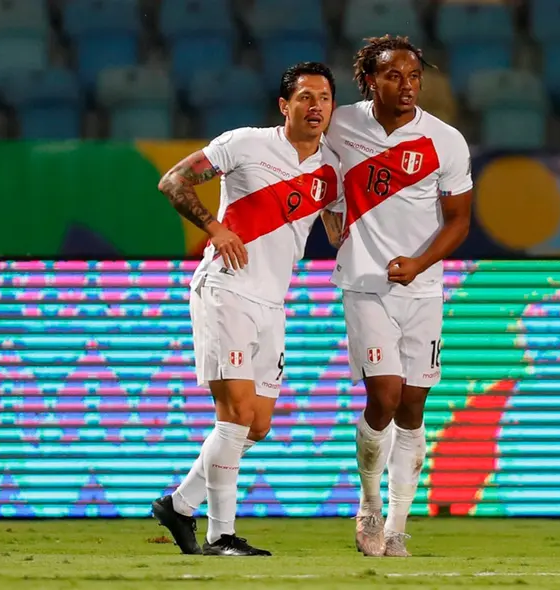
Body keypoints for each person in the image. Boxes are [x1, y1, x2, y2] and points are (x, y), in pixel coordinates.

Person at [150, 62, 343, 557]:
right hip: (227, 289)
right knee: (234, 415)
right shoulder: (245, 143)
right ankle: (221, 535)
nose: (315, 106)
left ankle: (178, 505)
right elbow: (173, 181)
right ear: (285, 105)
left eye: (324, 98)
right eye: (305, 97)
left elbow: (338, 232)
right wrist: (215, 229)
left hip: (273, 302)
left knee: (256, 425)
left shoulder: (332, 171)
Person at [324, 36, 474, 558]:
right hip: (364, 284)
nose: (407, 86)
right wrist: (330, 211)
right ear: (369, 80)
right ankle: (368, 504)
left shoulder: (445, 140)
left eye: (413, 77)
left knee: (412, 407)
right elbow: (313, 167)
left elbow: (459, 221)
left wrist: (419, 264)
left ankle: (396, 527)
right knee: (384, 396)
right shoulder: (341, 124)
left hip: (422, 290)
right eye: (393, 75)